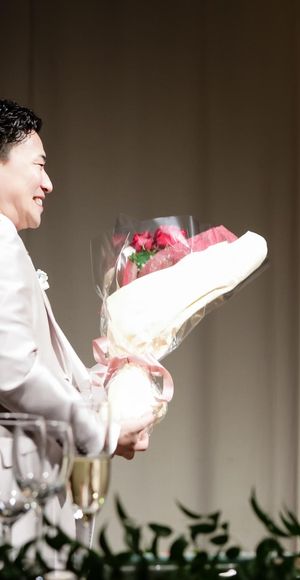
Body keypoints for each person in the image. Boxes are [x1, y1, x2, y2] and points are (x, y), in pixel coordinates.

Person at [0, 99, 156, 542]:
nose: (48, 183)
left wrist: (111, 383)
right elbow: (13, 370)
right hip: (13, 487)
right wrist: (101, 432)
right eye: (38, 165)